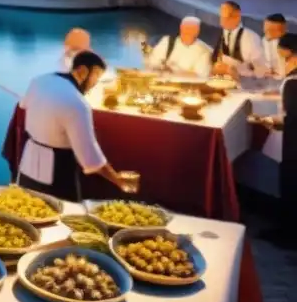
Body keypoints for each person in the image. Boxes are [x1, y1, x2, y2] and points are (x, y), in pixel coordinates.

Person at [17, 51, 136, 202]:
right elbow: (90, 159)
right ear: (82, 71)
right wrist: (118, 180)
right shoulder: (78, 104)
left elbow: (23, 104)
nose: (95, 83)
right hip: (57, 175)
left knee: (23, 208)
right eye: (96, 76)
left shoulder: (38, 81)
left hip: (27, 167)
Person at [251, 32, 297, 249]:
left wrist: (268, 121)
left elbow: (292, 118)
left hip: (292, 149)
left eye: (284, 57)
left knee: (289, 188)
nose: (282, 62)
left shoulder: (292, 82)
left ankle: (286, 234)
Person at [143, 16, 213, 78]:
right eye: (185, 28)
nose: (187, 32)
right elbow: (152, 62)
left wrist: (174, 72)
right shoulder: (167, 41)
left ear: (197, 31)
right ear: (181, 28)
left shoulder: (204, 50)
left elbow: (200, 75)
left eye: (192, 29)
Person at [211, 1, 265, 78]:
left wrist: (235, 70)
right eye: (221, 17)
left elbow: (260, 71)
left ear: (237, 17)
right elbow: (215, 60)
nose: (221, 22)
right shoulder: (221, 34)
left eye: (225, 18)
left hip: (244, 86)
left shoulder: (251, 39)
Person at [260, 14, 288, 79]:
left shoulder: (290, 44)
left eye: (272, 30)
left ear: (283, 29)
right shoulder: (264, 40)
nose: (267, 33)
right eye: (266, 29)